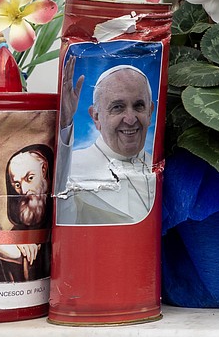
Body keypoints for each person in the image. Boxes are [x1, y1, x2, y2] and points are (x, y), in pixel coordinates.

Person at [56, 60, 156, 225]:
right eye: (118, 107)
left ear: (150, 112)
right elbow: (63, 221)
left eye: (139, 106)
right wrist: (64, 125)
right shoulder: (73, 166)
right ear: (96, 117)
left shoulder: (160, 166)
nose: (130, 119)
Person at [0, 144, 53, 283]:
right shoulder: (14, 236)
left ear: (44, 170)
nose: (23, 190)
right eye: (17, 185)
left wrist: (20, 258)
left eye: (30, 178)